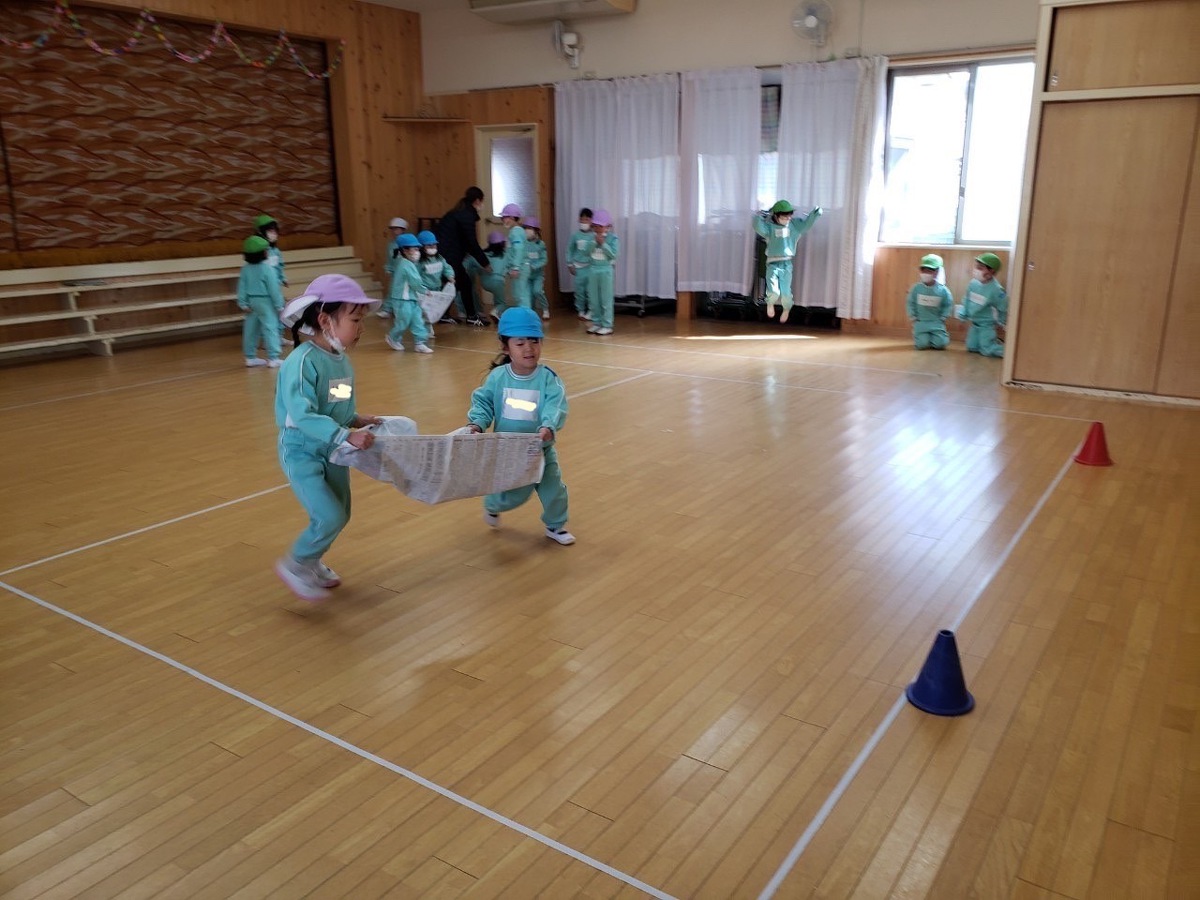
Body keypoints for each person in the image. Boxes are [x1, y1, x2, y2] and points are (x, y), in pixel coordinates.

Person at [274, 274, 382, 602]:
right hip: (302, 450)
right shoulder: (301, 362)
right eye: (355, 320)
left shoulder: (340, 360)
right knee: (328, 515)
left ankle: (311, 561)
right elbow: (304, 415)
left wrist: (357, 419)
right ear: (325, 320)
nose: (361, 328)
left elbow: (337, 404)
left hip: (333, 448)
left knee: (340, 512)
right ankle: (295, 564)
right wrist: (345, 435)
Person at [466, 307, 574, 546]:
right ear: (506, 347)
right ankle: (493, 504)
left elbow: (555, 405)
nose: (529, 348)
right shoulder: (498, 377)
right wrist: (477, 424)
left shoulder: (548, 378)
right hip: (508, 452)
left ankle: (556, 525)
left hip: (541, 450)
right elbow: (483, 403)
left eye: (534, 341)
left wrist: (548, 426)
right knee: (513, 495)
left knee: (554, 489)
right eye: (520, 343)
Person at [752, 199, 822, 323]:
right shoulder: (769, 228)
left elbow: (807, 224)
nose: (788, 218)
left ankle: (786, 309)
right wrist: (759, 216)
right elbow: (758, 227)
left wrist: (816, 213)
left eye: (789, 215)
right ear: (776, 216)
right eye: (784, 216)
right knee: (773, 291)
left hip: (786, 264)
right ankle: (770, 303)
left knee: (786, 292)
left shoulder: (794, 225)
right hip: (772, 264)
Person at [435, 186, 492, 326]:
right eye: (482, 201)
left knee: (458, 283)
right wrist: (485, 263)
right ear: (477, 200)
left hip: (445, 253)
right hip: (449, 255)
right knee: (463, 283)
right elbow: (471, 242)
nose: (482, 204)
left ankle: (446, 315)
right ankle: (471, 317)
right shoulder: (466, 215)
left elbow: (464, 240)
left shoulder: (459, 212)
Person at [237, 235, 285, 368]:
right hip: (266, 302)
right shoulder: (267, 269)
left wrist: (242, 303)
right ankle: (273, 358)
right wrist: (279, 305)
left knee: (250, 330)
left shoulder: (245, 269)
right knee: (270, 328)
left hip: (251, 302)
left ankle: (250, 357)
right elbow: (274, 289)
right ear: (263, 253)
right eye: (266, 250)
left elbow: (242, 287)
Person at [385, 233, 433, 353]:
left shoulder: (408, 263)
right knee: (403, 321)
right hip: (402, 300)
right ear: (405, 250)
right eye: (414, 249)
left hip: (411, 299)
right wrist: (424, 290)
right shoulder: (406, 265)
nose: (417, 252)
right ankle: (393, 338)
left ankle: (420, 342)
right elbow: (415, 282)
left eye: (417, 249)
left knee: (417, 320)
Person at [958, 252, 1008, 358]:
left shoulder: (996, 290)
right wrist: (962, 318)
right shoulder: (973, 283)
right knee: (971, 347)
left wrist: (1002, 323)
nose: (976, 270)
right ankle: (992, 341)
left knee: (986, 350)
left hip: (987, 325)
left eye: (980, 268)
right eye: (976, 267)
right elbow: (966, 300)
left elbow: (1003, 307)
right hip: (975, 324)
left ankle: (1008, 350)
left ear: (991, 271)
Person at [906, 253, 954, 350]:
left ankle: (934, 338)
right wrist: (913, 317)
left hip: (936, 323)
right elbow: (910, 303)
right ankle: (924, 338)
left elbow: (948, 305)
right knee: (922, 345)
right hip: (921, 322)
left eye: (930, 270)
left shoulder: (943, 290)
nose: (926, 273)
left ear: (937, 272)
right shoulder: (916, 289)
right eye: (924, 270)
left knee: (940, 344)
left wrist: (943, 317)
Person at [584, 209, 619, 336]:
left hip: (606, 270)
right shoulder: (590, 237)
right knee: (594, 298)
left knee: (606, 298)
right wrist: (594, 242)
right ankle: (596, 323)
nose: (598, 228)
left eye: (601, 226)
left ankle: (607, 325)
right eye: (595, 226)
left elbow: (613, 255)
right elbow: (586, 252)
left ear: (608, 226)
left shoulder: (613, 238)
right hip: (593, 270)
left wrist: (603, 244)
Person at [465, 231, 508, 320]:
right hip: (498, 281)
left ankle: (496, 315)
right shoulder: (505, 255)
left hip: (485, 282)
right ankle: (495, 311)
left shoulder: (482, 255)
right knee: (501, 303)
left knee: (496, 298)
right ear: (502, 244)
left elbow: (469, 262)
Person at [416, 229, 455, 326]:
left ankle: (428, 328)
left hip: (437, 290)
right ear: (422, 247)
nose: (432, 247)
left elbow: (447, 268)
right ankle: (422, 329)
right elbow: (416, 276)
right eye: (429, 245)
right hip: (425, 292)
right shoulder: (420, 262)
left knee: (432, 312)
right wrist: (422, 289)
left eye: (434, 245)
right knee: (423, 312)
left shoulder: (439, 258)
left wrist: (450, 276)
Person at [499, 203, 531, 310]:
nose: (503, 220)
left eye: (504, 217)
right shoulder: (516, 231)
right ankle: (526, 315)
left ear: (512, 217)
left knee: (519, 295)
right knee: (522, 293)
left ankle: (525, 315)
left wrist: (516, 267)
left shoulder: (516, 232)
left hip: (520, 267)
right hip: (521, 266)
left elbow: (518, 249)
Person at [567, 207, 595, 320]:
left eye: (587, 219)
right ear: (579, 219)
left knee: (590, 290)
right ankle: (581, 310)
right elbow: (569, 250)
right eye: (582, 219)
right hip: (578, 267)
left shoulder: (594, 235)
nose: (584, 222)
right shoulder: (575, 236)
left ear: (591, 221)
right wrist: (570, 264)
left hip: (590, 267)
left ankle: (591, 311)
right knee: (579, 291)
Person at [379, 216, 409, 318]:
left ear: (403, 230)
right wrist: (388, 269)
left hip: (407, 272)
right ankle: (387, 309)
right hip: (396, 272)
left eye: (397, 229)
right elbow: (389, 259)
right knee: (392, 290)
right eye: (393, 229)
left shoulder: (408, 244)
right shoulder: (391, 245)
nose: (394, 231)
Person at [524, 216, 550, 320]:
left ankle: (545, 308)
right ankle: (531, 313)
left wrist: (534, 266)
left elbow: (544, 260)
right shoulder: (523, 243)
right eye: (526, 228)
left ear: (536, 230)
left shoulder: (541, 244)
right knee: (529, 295)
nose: (527, 230)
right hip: (527, 275)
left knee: (537, 291)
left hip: (538, 275)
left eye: (530, 228)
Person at [253, 214, 287, 288]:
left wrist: (283, 279)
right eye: (270, 231)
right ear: (260, 232)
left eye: (275, 232)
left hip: (275, 284)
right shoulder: (256, 251)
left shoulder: (276, 251)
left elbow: (280, 267)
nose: (273, 234)